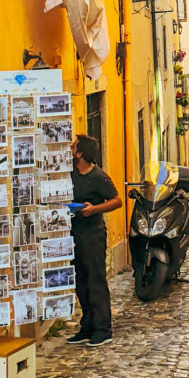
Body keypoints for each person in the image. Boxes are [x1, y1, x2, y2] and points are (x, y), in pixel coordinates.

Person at [67, 134, 122, 347]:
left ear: (80, 153)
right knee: (80, 280)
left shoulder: (98, 176)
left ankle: (103, 329)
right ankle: (87, 326)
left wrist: (93, 210)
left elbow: (116, 200)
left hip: (93, 234)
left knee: (96, 280)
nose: (70, 149)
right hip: (75, 234)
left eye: (73, 146)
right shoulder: (71, 172)